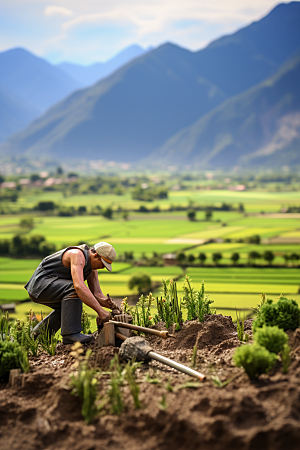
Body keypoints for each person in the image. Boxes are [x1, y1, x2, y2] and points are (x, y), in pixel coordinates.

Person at [24, 241, 116, 344]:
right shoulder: (77, 255)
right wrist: (101, 312)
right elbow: (79, 286)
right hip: (40, 285)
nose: (103, 267)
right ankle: (71, 334)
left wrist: (106, 303)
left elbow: (97, 294)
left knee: (67, 309)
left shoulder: (91, 267)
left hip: (51, 286)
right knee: (74, 289)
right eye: (103, 264)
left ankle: (37, 337)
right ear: (95, 255)